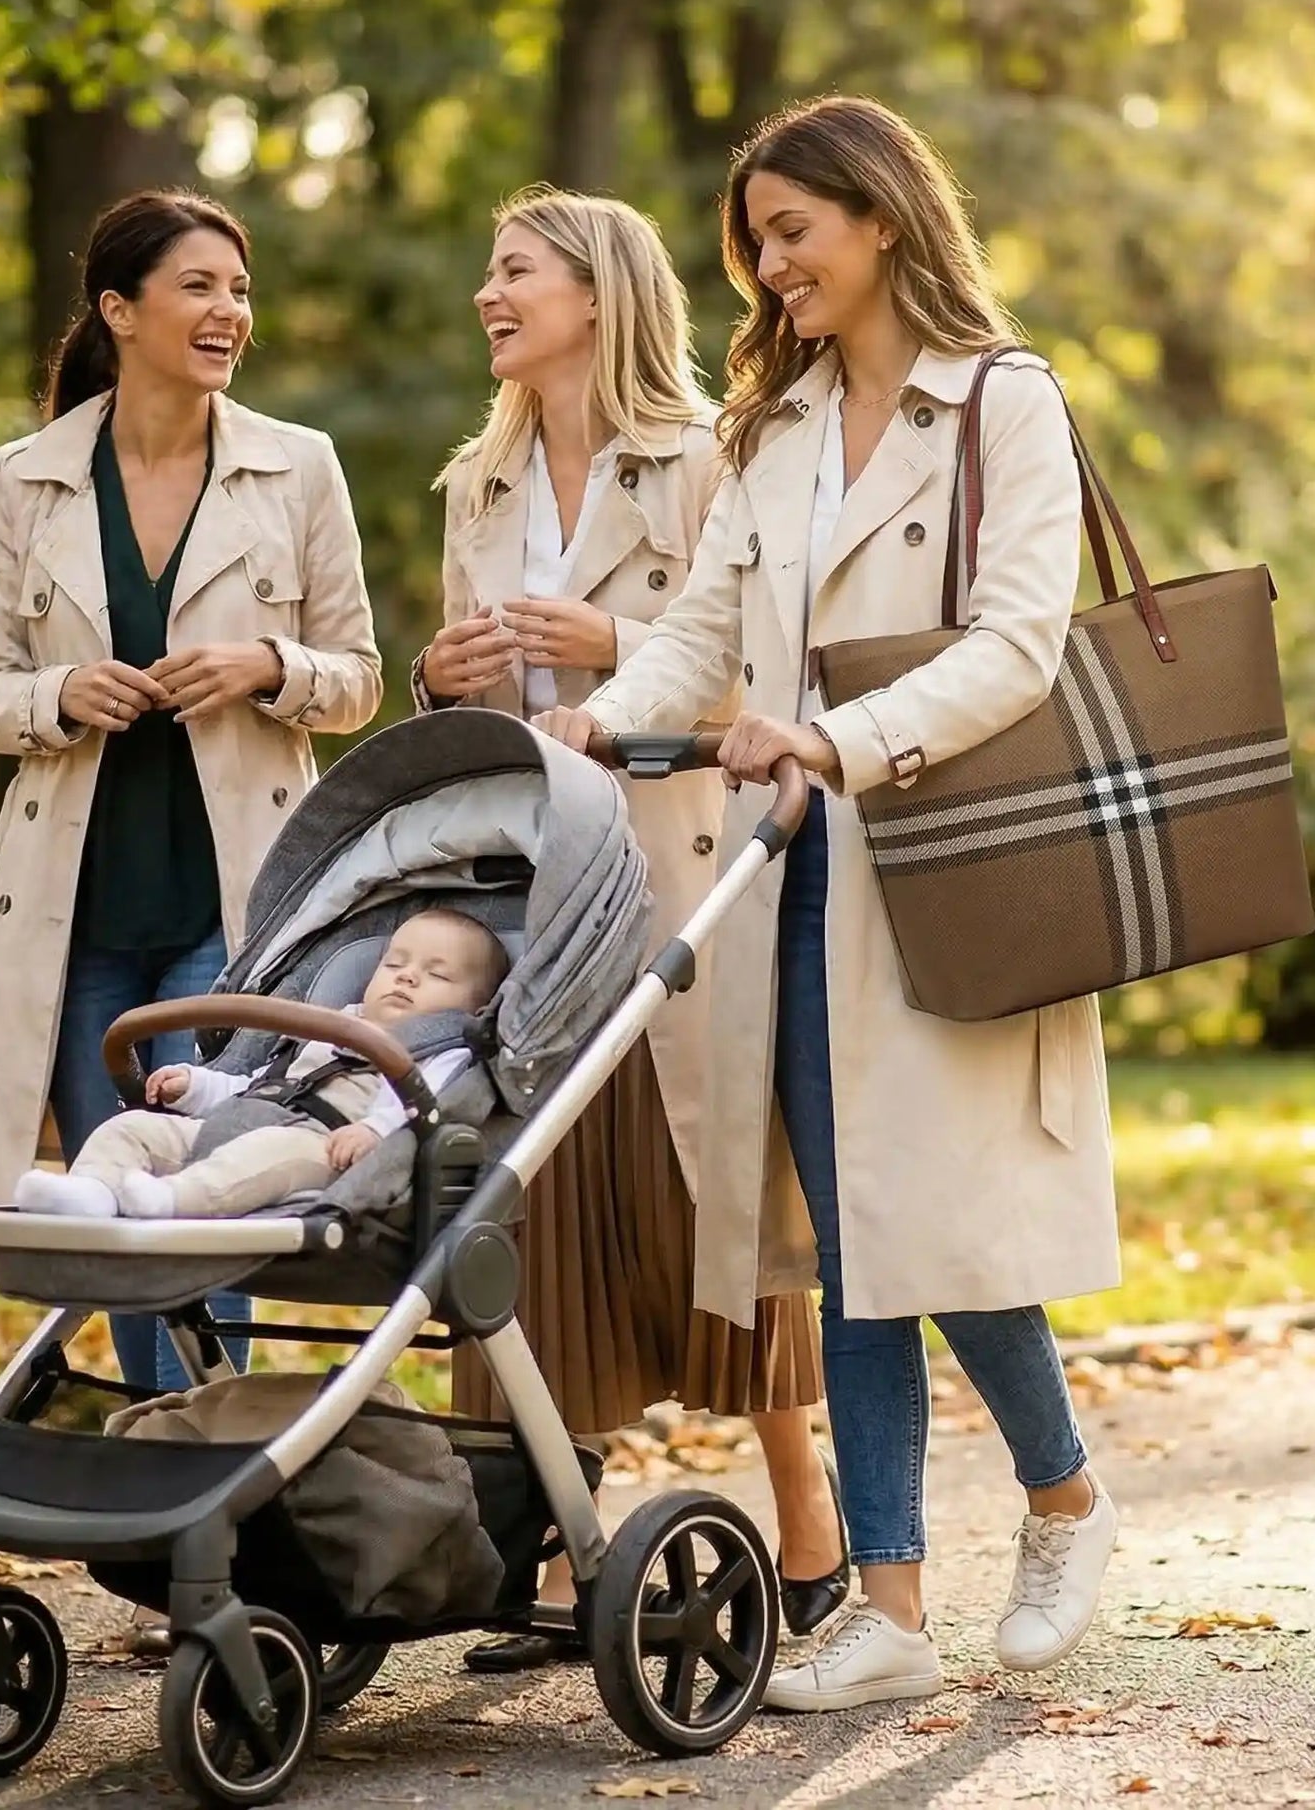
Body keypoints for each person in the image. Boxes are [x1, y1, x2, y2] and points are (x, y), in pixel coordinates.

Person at [536, 97, 1122, 1711]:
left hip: (947, 866)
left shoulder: (1005, 398)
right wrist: (595, 719)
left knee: (936, 1224)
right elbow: (700, 625)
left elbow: (1021, 639)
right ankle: (891, 1607)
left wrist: (837, 737)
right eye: (757, 241)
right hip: (786, 875)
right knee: (848, 1243)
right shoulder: (774, 428)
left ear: (879, 217)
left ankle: (1064, 1497)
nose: (771, 264)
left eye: (791, 230)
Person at [417, 187, 845, 1669]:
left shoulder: (703, 463)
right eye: (489, 270)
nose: (490, 291)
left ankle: (807, 1518)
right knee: (540, 1211)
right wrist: (443, 672)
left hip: (683, 876)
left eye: (515, 268)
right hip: (527, 890)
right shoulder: (474, 487)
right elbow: (467, 709)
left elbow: (759, 682)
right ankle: (556, 1544)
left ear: (595, 293)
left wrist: (618, 653)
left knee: (710, 1204)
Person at [0, 187, 382, 1406]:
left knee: (202, 1190)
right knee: (117, 1209)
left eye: (239, 290)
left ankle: (212, 1479)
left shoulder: (298, 466)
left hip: (234, 898)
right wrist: (56, 695)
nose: (228, 312)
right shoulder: (27, 478)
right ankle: (170, 1462)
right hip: (74, 909)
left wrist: (266, 667)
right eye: (200, 287)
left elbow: (354, 677)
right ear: (119, 309)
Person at [9, 908, 506, 1219]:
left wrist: (376, 1131)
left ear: (475, 1006)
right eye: (395, 964)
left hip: (319, 1150)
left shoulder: (444, 1050)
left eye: (436, 974)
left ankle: (172, 1201)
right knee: (133, 1126)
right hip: (246, 1118)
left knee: (262, 1154)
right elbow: (261, 1084)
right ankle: (92, 1191)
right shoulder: (332, 1023)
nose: (408, 979)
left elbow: (428, 1101)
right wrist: (197, 1086)